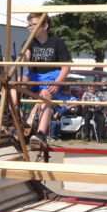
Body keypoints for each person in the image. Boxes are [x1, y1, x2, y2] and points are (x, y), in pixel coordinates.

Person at [17, 13, 72, 145]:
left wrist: (57, 82)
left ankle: (41, 133)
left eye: (34, 25)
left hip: (51, 77)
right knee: (15, 83)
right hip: (34, 76)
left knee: (45, 94)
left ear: (45, 26)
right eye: (29, 25)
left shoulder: (57, 42)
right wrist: (23, 58)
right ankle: (9, 115)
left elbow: (66, 67)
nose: (30, 28)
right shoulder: (28, 42)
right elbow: (26, 57)